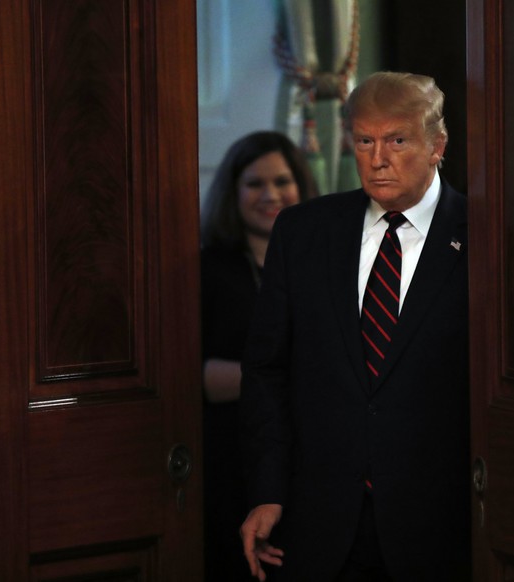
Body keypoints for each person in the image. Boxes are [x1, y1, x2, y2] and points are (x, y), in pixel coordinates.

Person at [239, 72, 470, 581]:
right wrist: (268, 492)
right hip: (318, 526)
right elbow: (266, 372)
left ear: (438, 145)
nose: (378, 157)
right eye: (364, 140)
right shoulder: (303, 233)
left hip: (441, 530)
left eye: (398, 140)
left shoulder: (482, 235)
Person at [200, 131, 319, 581]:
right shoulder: (207, 268)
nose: (270, 194)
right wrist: (287, 378)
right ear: (234, 192)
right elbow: (201, 375)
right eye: (255, 183)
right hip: (231, 455)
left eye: (282, 181)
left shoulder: (323, 261)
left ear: (301, 187)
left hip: (310, 453)